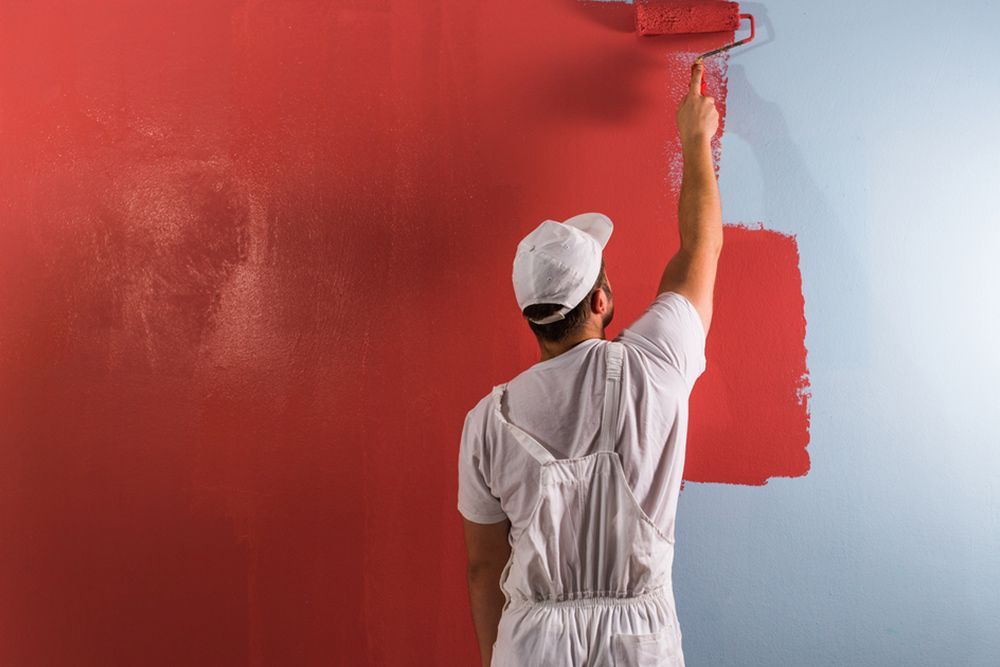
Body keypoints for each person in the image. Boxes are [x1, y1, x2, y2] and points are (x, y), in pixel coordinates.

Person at [458, 62, 722, 667]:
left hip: (530, 646)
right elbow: (700, 247)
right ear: (601, 301)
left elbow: (482, 569)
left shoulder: (486, 424)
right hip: (639, 643)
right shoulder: (655, 365)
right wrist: (695, 139)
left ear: (531, 317)